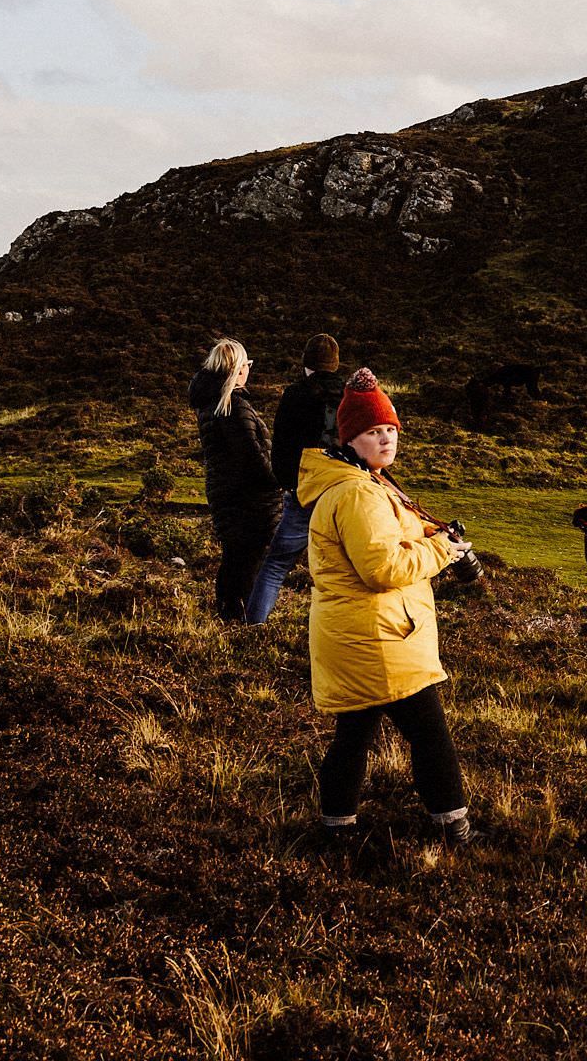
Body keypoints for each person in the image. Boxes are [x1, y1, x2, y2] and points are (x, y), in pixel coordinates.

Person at [297, 368, 475, 844]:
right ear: (351, 437)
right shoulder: (358, 492)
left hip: (362, 633)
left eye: (391, 430)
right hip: (380, 637)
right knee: (430, 734)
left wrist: (428, 535)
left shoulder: (363, 482)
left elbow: (385, 544)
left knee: (353, 736)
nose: (386, 439)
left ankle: (336, 830)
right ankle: (453, 829)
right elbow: (381, 568)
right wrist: (442, 552)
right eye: (374, 432)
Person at [244, 333, 346, 625]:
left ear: (306, 364)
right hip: (343, 491)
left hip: (303, 492)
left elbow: (283, 446)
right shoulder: (349, 396)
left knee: (276, 564)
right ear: (335, 364)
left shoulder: (294, 394)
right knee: (343, 569)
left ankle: (254, 626)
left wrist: (289, 483)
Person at [187, 338, 283, 622]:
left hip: (228, 494)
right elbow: (251, 457)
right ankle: (239, 621)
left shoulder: (212, 404)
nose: (248, 370)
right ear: (238, 369)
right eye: (247, 364)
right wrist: (278, 478)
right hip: (248, 499)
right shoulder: (232, 406)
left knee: (236, 558)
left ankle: (230, 619)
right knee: (246, 561)